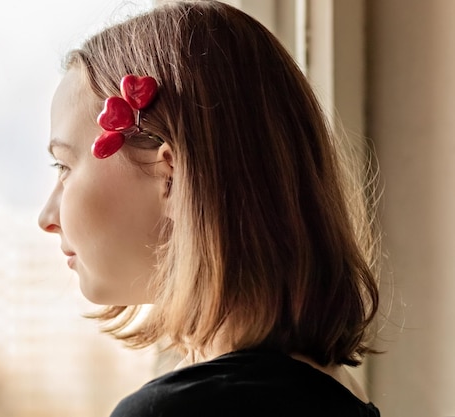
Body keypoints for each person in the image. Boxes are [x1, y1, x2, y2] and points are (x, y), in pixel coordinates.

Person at [38, 1, 382, 415]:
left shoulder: (177, 410)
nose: (47, 218)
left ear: (171, 176)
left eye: (65, 166)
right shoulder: (340, 392)